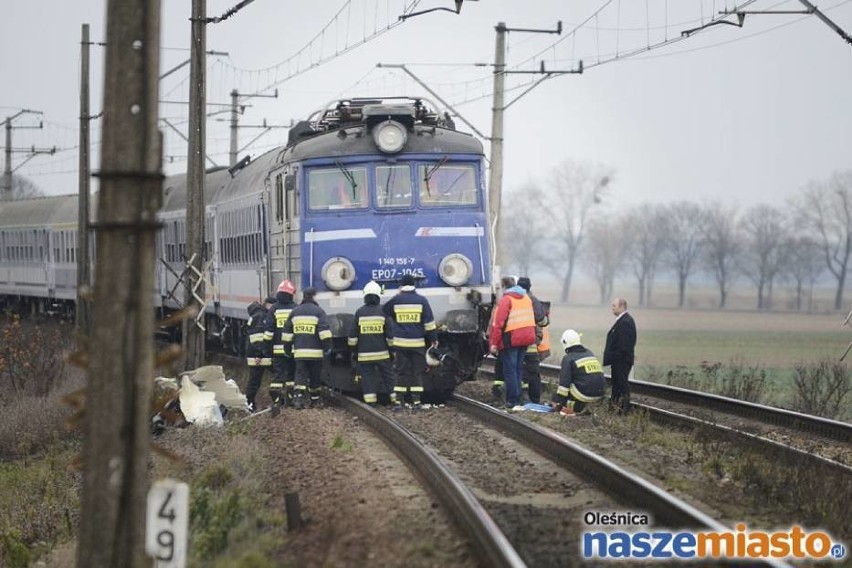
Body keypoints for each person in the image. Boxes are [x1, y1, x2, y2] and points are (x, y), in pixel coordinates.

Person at [383, 273, 437, 409]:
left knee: (400, 371)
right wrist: (433, 339)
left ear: (402, 286)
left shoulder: (396, 300)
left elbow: (385, 310)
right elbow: (429, 323)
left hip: (400, 344)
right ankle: (417, 401)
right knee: (417, 372)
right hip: (417, 343)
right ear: (414, 285)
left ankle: (400, 401)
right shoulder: (422, 300)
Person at [488, 276, 537, 409]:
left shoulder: (506, 300)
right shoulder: (526, 298)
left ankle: (512, 401)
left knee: (510, 371)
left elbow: (498, 325)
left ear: (504, 286)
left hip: (512, 339)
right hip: (527, 337)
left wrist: (494, 344)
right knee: (518, 369)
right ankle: (519, 398)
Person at [282, 287, 333, 409]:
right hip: (316, 353)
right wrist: (327, 347)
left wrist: (287, 350)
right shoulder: (319, 312)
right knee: (315, 376)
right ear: (314, 297)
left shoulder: (295, 312)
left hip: (299, 353)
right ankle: (315, 400)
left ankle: (298, 399)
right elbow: (324, 333)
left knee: (300, 375)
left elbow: (287, 334)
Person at [348, 281, 396, 406]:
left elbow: (353, 335)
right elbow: (389, 333)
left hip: (364, 355)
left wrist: (353, 351)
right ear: (378, 296)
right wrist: (392, 350)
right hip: (383, 354)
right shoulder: (384, 311)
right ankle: (395, 400)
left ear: (365, 297)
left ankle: (371, 403)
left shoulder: (359, 312)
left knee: (367, 378)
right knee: (389, 376)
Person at [550, 329, 606, 416]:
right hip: (599, 395)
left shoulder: (568, 358)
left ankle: (571, 409)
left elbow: (564, 385)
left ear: (565, 343)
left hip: (583, 396)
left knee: (558, 393)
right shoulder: (589, 353)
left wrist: (558, 403)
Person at [264, 279, 297, 409]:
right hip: (293, 350)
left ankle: (277, 400)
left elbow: (268, 332)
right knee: (291, 375)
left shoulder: (274, 309)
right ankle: (290, 399)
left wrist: (267, 349)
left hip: (277, 350)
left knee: (278, 376)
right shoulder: (295, 308)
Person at [517, 276, 551, 405]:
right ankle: (534, 400)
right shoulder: (533, 300)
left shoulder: (512, 299)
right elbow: (542, 320)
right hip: (530, 341)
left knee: (517, 369)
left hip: (515, 341)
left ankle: (519, 397)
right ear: (530, 287)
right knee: (534, 372)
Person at [603, 297, 637, 414]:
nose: (612, 308)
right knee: (616, 385)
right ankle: (614, 408)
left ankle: (624, 409)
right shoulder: (623, 320)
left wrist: (616, 358)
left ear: (622, 307)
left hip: (621, 361)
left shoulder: (625, 322)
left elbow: (624, 345)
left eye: (614, 306)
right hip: (618, 360)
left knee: (622, 385)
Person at [244, 301, 272, 412]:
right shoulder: (260, 317)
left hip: (254, 356)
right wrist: (260, 354)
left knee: (254, 381)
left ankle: (249, 403)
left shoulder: (254, 317)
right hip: (259, 356)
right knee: (280, 375)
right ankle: (279, 400)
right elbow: (258, 339)